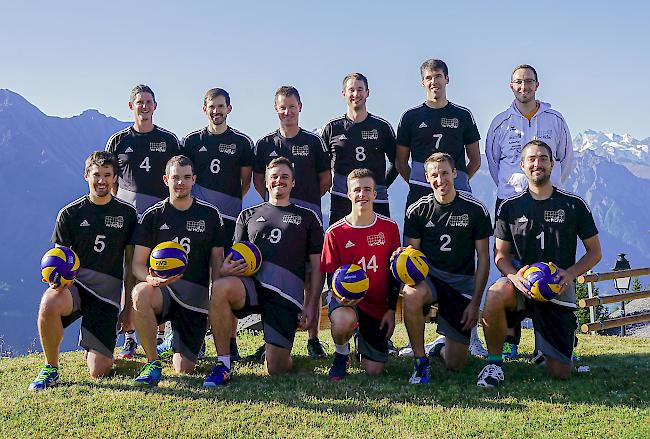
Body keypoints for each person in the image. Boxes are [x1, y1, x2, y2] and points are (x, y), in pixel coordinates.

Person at [477, 140, 601, 388]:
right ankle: (493, 363)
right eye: (532, 159)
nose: (537, 164)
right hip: (522, 287)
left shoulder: (573, 205)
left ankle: (548, 348)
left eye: (543, 158)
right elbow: (500, 254)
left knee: (560, 373)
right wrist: (513, 276)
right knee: (495, 293)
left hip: (556, 288)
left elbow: (594, 252)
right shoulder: (510, 207)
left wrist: (571, 273)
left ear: (552, 164)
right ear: (522, 165)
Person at [203, 157, 324, 386]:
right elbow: (234, 257)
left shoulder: (308, 218)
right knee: (219, 286)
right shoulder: (247, 216)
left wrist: (311, 305)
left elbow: (318, 267)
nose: (279, 181)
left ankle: (276, 352)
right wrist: (226, 269)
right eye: (274, 177)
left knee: (276, 369)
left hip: (285, 295)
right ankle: (223, 363)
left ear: (293, 183)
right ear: (266, 183)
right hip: (253, 287)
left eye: (284, 177)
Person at [485, 65, 575, 359]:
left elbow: (564, 159)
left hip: (548, 204)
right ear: (510, 86)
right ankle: (510, 343)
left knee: (547, 270)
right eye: (518, 82)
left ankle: (544, 345)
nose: (524, 86)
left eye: (529, 81)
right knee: (513, 272)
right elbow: (493, 163)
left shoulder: (555, 119)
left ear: (538, 85)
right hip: (511, 206)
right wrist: (516, 190)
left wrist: (547, 190)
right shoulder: (500, 123)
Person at [28, 151, 137, 390]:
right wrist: (54, 279)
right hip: (75, 289)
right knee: (49, 301)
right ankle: (51, 368)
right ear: (86, 175)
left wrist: (128, 307)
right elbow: (59, 259)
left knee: (99, 371)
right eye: (97, 175)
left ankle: (93, 347)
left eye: (107, 175)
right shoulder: (69, 214)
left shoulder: (127, 214)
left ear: (115, 178)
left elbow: (130, 266)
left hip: (106, 297)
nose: (102, 180)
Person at [130, 155, 227, 387]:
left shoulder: (210, 215)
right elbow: (137, 264)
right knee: (140, 292)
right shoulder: (153, 216)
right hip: (163, 293)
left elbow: (217, 262)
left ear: (194, 180)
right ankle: (152, 363)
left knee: (184, 368)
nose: (180, 183)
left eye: (186, 178)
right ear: (166, 180)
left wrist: (215, 301)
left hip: (194, 299)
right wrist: (150, 278)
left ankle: (178, 339)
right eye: (175, 178)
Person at [253, 86, 331, 360]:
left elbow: (325, 180)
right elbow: (259, 182)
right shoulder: (264, 144)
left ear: (300, 108)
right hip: (274, 220)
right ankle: (269, 336)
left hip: (306, 217)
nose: (287, 112)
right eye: (282, 107)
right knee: (269, 274)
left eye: (292, 107)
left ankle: (313, 336)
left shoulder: (314, 142)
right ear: (276, 109)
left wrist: (302, 205)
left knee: (311, 274)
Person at [105, 84, 181, 359]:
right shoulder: (118, 141)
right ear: (131, 106)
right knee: (130, 275)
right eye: (139, 102)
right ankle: (128, 337)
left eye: (148, 101)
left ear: (155, 106)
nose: (144, 106)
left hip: (160, 219)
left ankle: (160, 335)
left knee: (161, 270)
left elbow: (178, 178)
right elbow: (111, 181)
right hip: (130, 220)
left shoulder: (169, 140)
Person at [401, 153, 491, 384]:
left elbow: (483, 258)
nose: (440, 179)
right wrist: (399, 259)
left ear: (455, 174)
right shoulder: (417, 210)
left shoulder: (475, 209)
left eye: (444, 173)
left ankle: (440, 346)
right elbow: (410, 259)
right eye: (434, 175)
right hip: (431, 280)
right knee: (411, 293)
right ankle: (420, 362)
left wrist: (475, 303)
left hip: (460, 284)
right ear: (426, 177)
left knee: (456, 364)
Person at [182, 87, 255, 361]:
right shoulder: (191, 142)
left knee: (226, 279)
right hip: (198, 223)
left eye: (221, 106)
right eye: (212, 106)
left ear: (229, 108)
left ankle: (231, 343)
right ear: (204, 109)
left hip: (229, 223)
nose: (216, 111)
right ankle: (198, 340)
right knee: (199, 280)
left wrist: (226, 209)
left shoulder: (242, 142)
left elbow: (245, 183)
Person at [320, 168, 401, 381]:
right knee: (343, 319)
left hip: (377, 306)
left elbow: (394, 274)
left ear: (375, 194)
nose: (362, 195)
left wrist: (391, 309)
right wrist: (339, 297)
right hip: (349, 302)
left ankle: (361, 339)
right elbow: (331, 274)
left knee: (374, 371)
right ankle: (341, 353)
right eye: (357, 190)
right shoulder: (335, 232)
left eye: (367, 189)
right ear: (348, 194)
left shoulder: (389, 228)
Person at [395, 59, 481, 209]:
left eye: (438, 76)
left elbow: (475, 160)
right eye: (428, 78)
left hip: (457, 190)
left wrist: (457, 179)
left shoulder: (463, 115)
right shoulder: (410, 117)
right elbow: (401, 162)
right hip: (420, 191)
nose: (434, 81)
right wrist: (417, 181)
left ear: (447, 79)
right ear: (423, 82)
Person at [321, 73, 398, 224]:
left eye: (360, 89)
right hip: (342, 198)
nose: (356, 94)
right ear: (344, 94)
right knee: (342, 244)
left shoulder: (382, 127)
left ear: (367, 92)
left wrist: (379, 185)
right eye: (351, 90)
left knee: (379, 243)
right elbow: (320, 165)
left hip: (376, 199)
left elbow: (398, 163)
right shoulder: (332, 128)